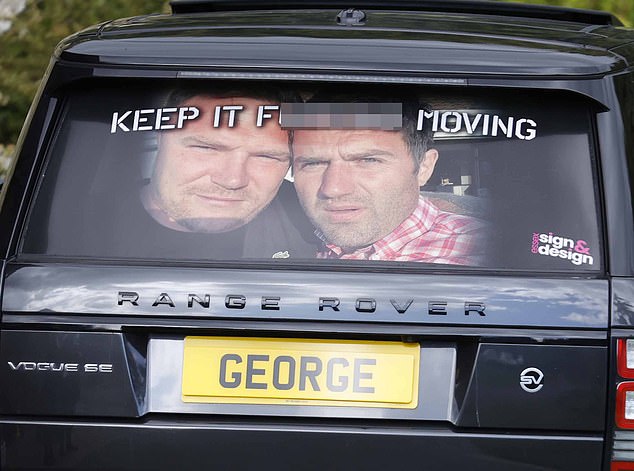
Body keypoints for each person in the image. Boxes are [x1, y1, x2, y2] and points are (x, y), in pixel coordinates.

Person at [101, 86, 318, 260]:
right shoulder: (77, 226)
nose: (232, 179)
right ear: (160, 137)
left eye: (266, 157)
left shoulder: (316, 216)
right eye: (207, 148)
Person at [291, 93, 487, 265]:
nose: (333, 188)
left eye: (368, 160)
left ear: (424, 168)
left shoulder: (482, 254)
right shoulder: (291, 237)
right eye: (313, 163)